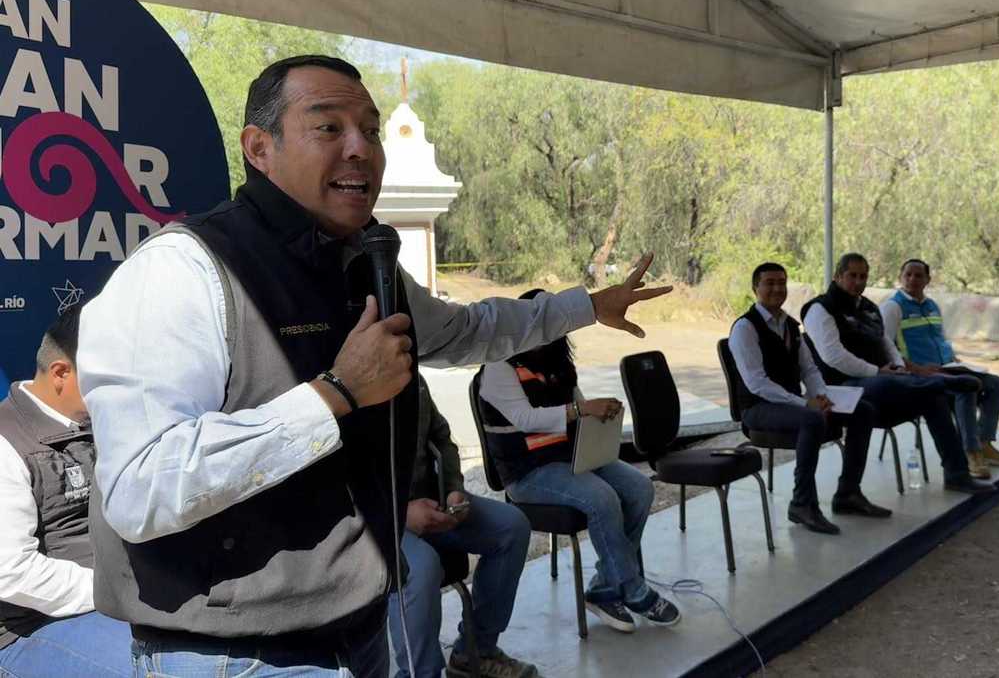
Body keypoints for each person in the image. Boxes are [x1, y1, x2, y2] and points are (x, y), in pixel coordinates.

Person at [76, 55, 669, 676]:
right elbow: (142, 486)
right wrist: (333, 394)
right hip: (235, 651)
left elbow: (467, 330)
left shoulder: (363, 265)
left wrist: (587, 305)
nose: (360, 148)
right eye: (328, 127)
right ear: (260, 147)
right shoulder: (184, 269)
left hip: (358, 624)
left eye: (371, 128)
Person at [478, 290, 680, 635]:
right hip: (527, 472)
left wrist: (600, 414)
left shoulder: (558, 360)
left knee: (640, 488)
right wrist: (581, 410)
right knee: (601, 498)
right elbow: (526, 418)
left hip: (572, 459)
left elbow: (578, 408)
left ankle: (605, 586)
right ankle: (632, 588)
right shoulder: (499, 365)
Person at [0, 306, 131, 677]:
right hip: (26, 628)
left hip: (115, 599)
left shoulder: (98, 424)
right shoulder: (6, 443)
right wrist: (115, 590)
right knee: (154, 668)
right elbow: (11, 572)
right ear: (61, 374)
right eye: (109, 379)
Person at [801, 253, 994, 495]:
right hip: (841, 387)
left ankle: (957, 475)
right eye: (852, 276)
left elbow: (885, 342)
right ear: (838, 276)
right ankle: (940, 382)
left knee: (932, 398)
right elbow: (833, 356)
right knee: (900, 386)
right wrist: (877, 371)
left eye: (863, 276)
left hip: (882, 381)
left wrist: (897, 367)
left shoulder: (868, 307)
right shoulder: (820, 309)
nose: (858, 281)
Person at [387, 374, 535, 678]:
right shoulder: (337, 382)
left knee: (512, 526)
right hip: (375, 521)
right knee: (420, 567)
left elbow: (441, 437)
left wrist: (453, 489)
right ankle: (420, 674)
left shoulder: (409, 374)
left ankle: (475, 650)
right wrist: (401, 514)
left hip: (432, 502)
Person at [727, 262, 890, 535]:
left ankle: (848, 493)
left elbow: (809, 369)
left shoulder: (790, 325)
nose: (777, 288)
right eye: (769, 283)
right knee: (812, 418)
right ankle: (802, 503)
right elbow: (756, 383)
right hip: (758, 409)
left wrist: (821, 396)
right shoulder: (745, 328)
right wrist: (806, 403)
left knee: (862, 410)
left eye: (782, 282)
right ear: (755, 288)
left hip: (792, 403)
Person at [880, 259, 999, 479]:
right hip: (918, 374)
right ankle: (970, 453)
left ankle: (983, 443)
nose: (913, 279)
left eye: (918, 276)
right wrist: (917, 369)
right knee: (966, 389)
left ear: (927, 280)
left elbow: (939, 338)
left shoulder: (932, 305)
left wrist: (955, 360)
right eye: (908, 275)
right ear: (900, 277)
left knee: (997, 384)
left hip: (946, 368)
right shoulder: (892, 307)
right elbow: (885, 348)